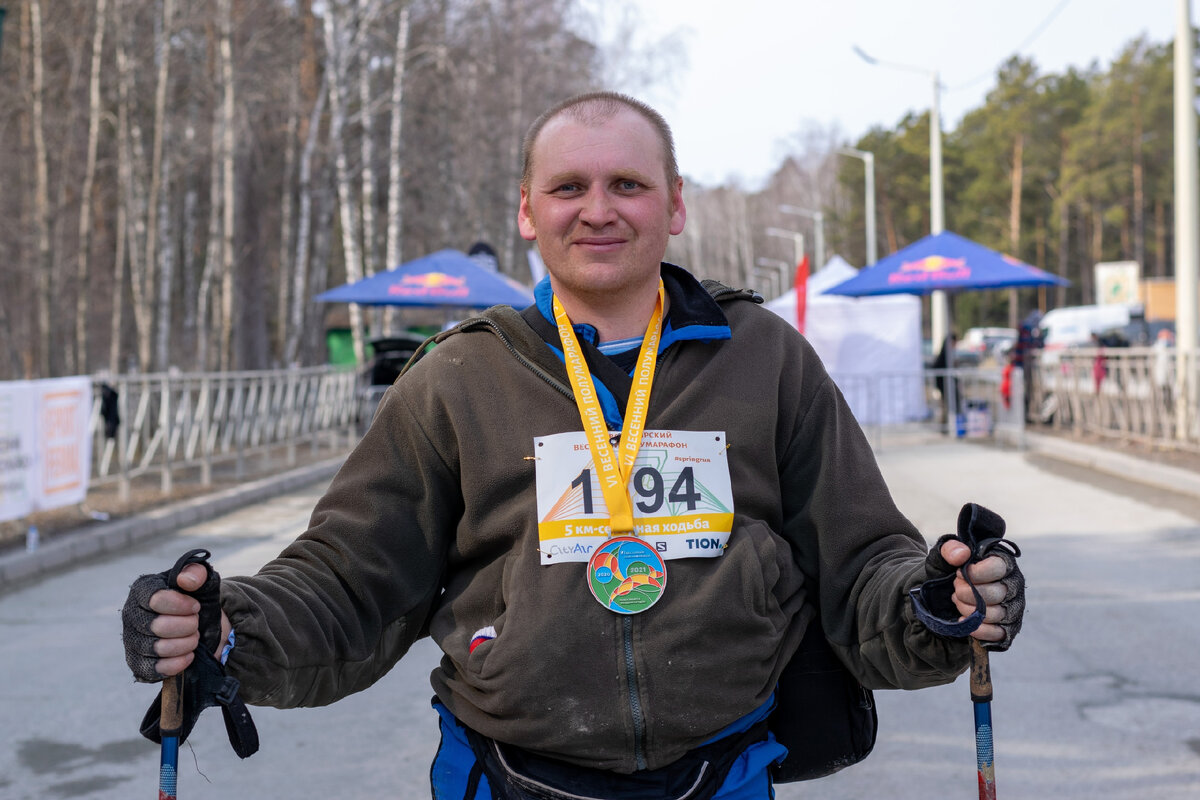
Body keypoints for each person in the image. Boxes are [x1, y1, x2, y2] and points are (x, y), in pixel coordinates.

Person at [122, 91, 1024, 799]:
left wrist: (933, 601)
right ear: (527, 211)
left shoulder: (763, 357)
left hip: (723, 770)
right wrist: (229, 626)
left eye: (627, 185)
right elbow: (353, 575)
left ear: (673, 206)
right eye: (569, 188)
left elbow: (860, 553)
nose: (599, 211)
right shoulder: (460, 377)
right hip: (505, 773)